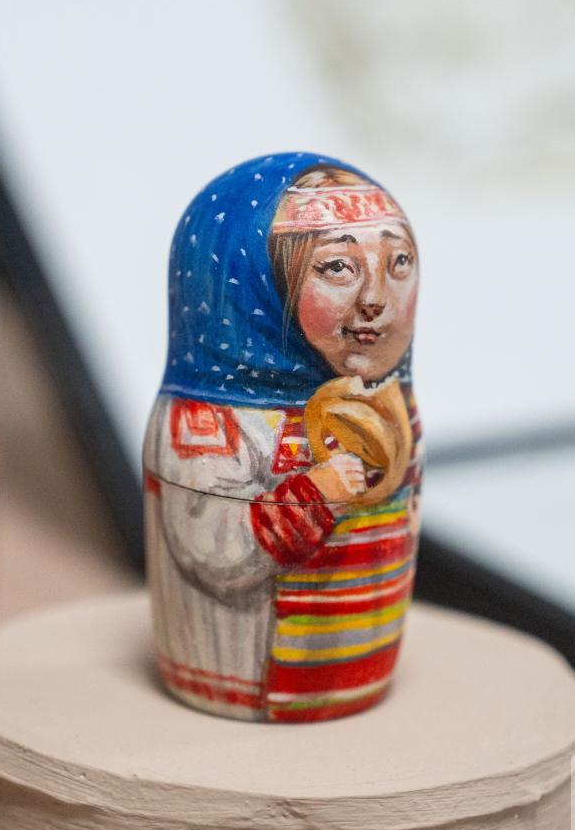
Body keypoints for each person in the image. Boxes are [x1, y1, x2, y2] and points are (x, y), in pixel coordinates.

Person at [145, 154, 421, 722]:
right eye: (338, 267)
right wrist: (314, 494)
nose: (376, 298)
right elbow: (210, 549)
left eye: (399, 262)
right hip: (252, 678)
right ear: (257, 284)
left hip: (356, 656)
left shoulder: (389, 401)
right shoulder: (212, 417)